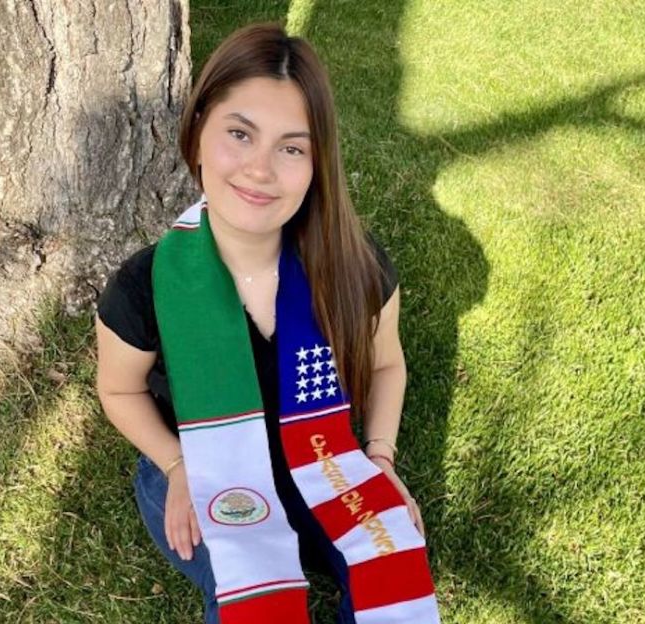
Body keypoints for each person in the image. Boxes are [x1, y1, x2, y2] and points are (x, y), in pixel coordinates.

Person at [95, 22, 431, 624]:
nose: (260, 170)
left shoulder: (352, 265)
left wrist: (378, 459)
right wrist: (175, 466)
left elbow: (386, 362)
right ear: (197, 133)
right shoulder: (145, 286)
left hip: (324, 460)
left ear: (315, 163)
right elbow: (118, 388)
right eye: (239, 134)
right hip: (203, 466)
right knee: (247, 599)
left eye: (292, 147)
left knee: (393, 566)